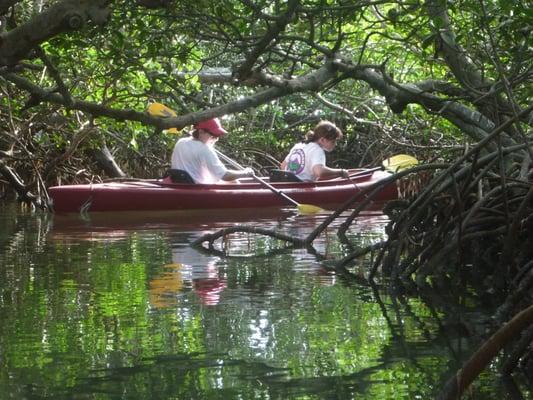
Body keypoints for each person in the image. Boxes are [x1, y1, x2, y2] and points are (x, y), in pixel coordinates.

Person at [171, 117, 254, 184]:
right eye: (213, 136)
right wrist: (246, 173)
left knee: (233, 181)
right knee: (234, 182)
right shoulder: (205, 149)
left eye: (217, 136)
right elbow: (225, 176)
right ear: (201, 132)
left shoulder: (181, 142)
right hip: (197, 189)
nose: (216, 139)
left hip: (179, 183)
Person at [280, 120, 349, 181]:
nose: (335, 144)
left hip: (287, 183)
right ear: (322, 140)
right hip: (301, 188)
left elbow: (283, 166)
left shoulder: (299, 145)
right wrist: (341, 172)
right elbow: (319, 172)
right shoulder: (317, 150)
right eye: (333, 141)